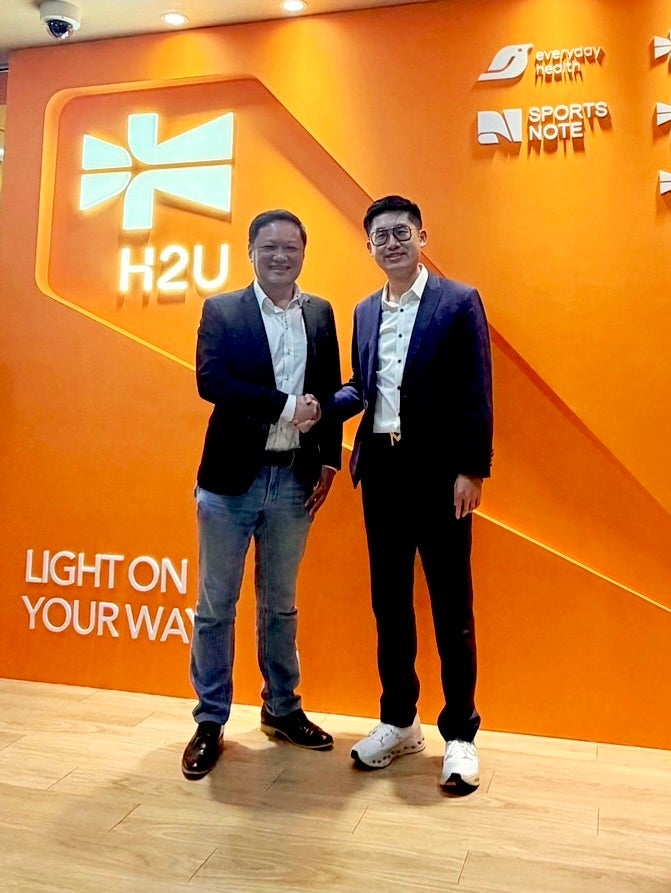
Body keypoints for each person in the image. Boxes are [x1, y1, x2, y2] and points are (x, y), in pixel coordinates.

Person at [327, 195, 493, 794]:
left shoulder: (459, 301)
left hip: (441, 477)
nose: (391, 243)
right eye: (381, 236)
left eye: (401, 232)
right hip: (383, 474)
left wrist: (472, 470)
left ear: (423, 236)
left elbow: (476, 389)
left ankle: (460, 735)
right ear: (368, 245)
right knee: (390, 605)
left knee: (452, 608)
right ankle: (400, 721)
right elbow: (361, 385)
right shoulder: (364, 310)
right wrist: (321, 407)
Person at [181, 209, 343, 780]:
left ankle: (282, 708)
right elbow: (212, 382)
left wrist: (329, 458)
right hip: (230, 481)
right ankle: (210, 719)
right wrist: (284, 407)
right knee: (215, 606)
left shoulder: (320, 312)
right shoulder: (222, 310)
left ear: (303, 252)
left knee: (280, 604)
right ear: (251, 250)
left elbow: (328, 388)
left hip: (294, 479)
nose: (280, 256)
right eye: (269, 246)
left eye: (290, 247)